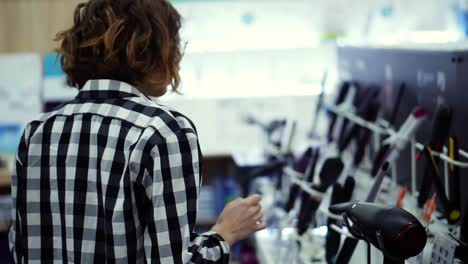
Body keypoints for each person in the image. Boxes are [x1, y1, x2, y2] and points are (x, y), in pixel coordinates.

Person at [9, 0, 266, 263]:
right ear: (152, 50)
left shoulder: (37, 132)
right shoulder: (163, 132)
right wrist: (225, 232)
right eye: (175, 45)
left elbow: (22, 250)